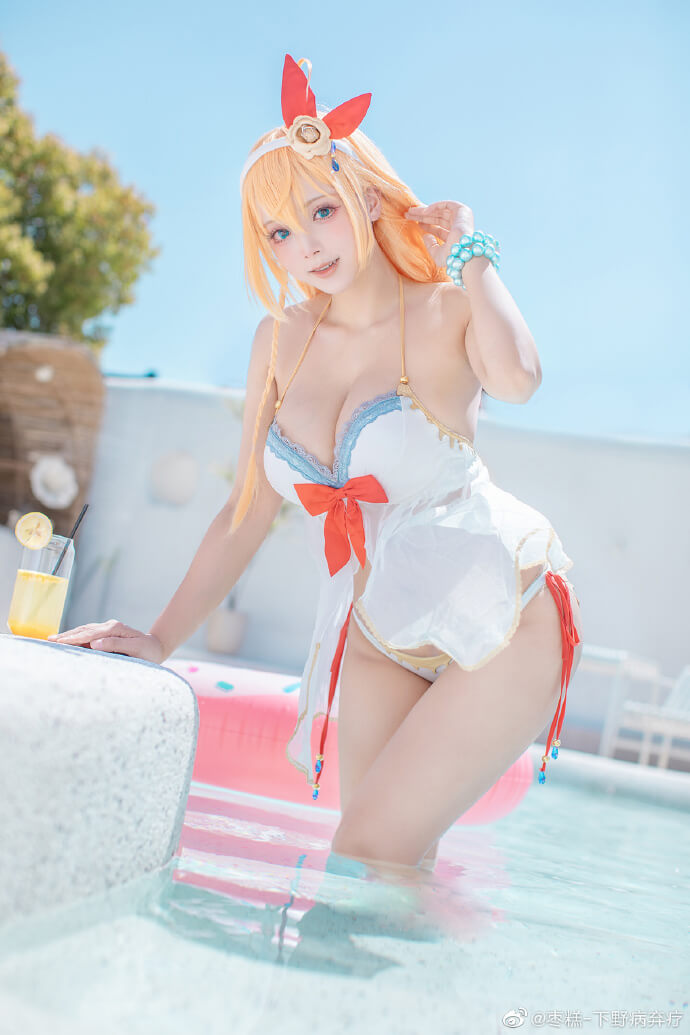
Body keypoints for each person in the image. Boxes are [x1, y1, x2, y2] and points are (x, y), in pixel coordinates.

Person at [49, 54, 583, 873]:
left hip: (501, 613)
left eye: (322, 210)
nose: (306, 245)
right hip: (376, 630)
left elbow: (519, 379)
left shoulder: (443, 308)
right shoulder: (279, 341)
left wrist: (470, 252)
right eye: (280, 233)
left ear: (366, 200)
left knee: (369, 844)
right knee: (378, 871)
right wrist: (158, 639)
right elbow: (246, 511)